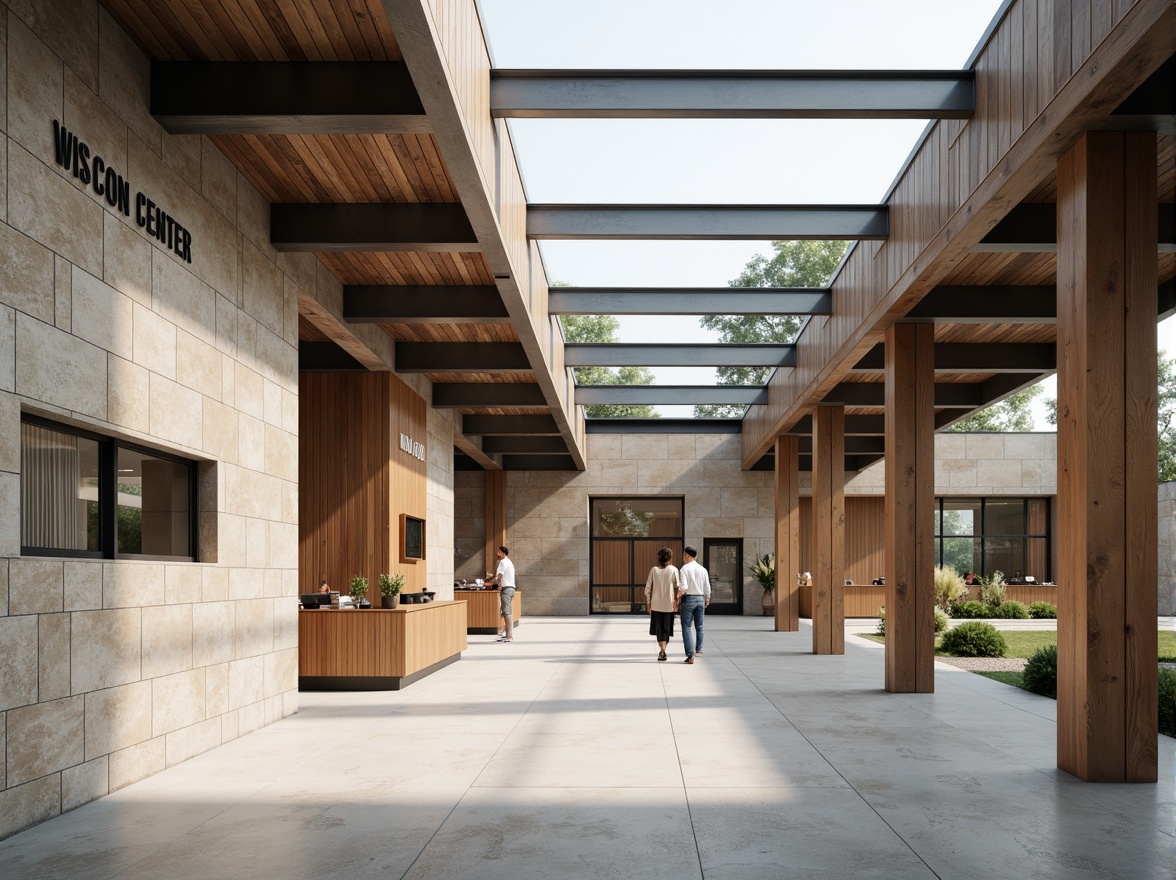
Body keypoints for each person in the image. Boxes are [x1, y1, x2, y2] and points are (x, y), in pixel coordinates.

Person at [644, 547, 679, 661]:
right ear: (670, 558)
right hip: (669, 604)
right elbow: (678, 587)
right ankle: (664, 649)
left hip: (656, 604)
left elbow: (647, 588)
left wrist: (648, 603)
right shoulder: (673, 569)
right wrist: (677, 601)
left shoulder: (654, 570)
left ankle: (662, 650)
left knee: (659, 628)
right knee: (666, 628)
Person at [677, 546, 710, 663]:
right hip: (700, 598)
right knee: (699, 626)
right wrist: (707, 598)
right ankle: (699, 650)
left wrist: (677, 597)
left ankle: (690, 655)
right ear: (695, 556)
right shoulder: (703, 569)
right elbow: (707, 586)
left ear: (686, 555)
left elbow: (684, 587)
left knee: (686, 627)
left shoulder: (684, 569)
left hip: (688, 599)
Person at [485, 546, 516, 642]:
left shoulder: (503, 562)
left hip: (507, 589)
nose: (497, 554)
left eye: (499, 552)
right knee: (506, 611)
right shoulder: (508, 561)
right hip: (508, 588)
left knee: (506, 612)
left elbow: (499, 576)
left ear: (503, 553)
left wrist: (490, 581)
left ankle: (509, 636)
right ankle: (507, 634)